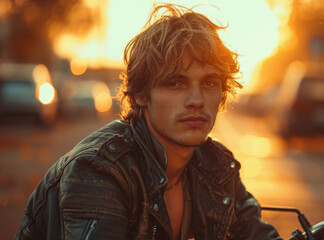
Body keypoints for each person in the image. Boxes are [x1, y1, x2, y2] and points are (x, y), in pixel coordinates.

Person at [14, 3, 282, 240]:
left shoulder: (216, 166)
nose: (196, 100)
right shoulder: (99, 170)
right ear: (141, 94)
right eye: (176, 83)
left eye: (209, 83)